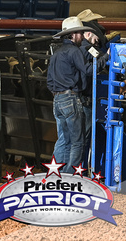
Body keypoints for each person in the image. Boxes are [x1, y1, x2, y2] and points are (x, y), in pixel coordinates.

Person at [47, 17, 96, 172]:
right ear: (73, 35)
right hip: (71, 97)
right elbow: (88, 70)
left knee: (64, 139)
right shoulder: (74, 51)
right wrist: (105, 58)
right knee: (77, 142)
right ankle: (69, 177)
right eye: (80, 33)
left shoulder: (57, 53)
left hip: (57, 99)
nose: (81, 36)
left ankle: (56, 174)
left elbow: (49, 81)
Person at [76, 9, 110, 169]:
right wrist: (107, 55)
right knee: (82, 140)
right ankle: (78, 173)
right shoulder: (86, 49)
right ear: (89, 33)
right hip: (84, 101)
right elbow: (97, 59)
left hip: (78, 99)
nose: (98, 41)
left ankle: (73, 173)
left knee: (77, 140)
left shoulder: (80, 48)